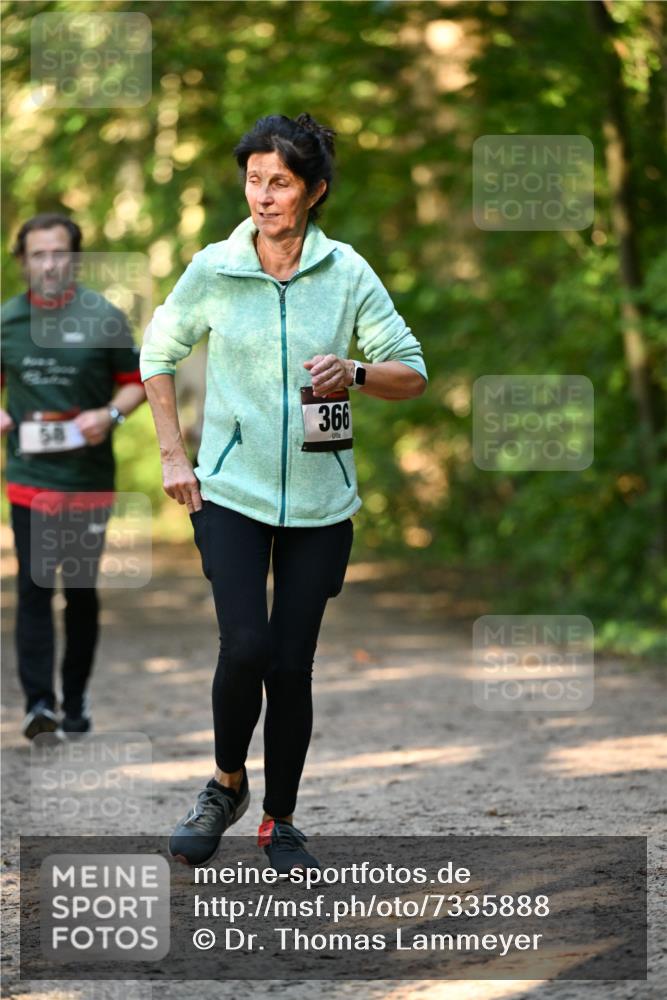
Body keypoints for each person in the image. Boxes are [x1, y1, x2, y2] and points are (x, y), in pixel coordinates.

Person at [140, 112, 428, 874]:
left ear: (313, 192)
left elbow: (411, 369)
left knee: (290, 664)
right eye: (253, 180)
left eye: (279, 183)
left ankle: (280, 820)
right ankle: (225, 784)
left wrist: (358, 373)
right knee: (246, 646)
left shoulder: (348, 274)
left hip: (320, 503)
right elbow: (156, 353)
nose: (262, 196)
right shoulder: (215, 267)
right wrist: (174, 455)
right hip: (229, 492)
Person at [1, 213, 146, 739]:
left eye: (58, 252)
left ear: (75, 258)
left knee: (79, 590)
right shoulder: (8, 322)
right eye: (38, 254)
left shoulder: (103, 316)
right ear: (23, 261)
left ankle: (76, 696)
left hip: (86, 480)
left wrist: (107, 416)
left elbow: (136, 383)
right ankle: (40, 705)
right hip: (28, 479)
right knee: (36, 588)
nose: (49, 263)